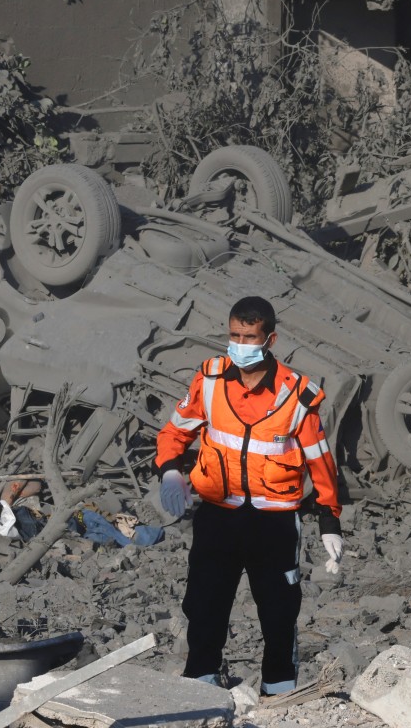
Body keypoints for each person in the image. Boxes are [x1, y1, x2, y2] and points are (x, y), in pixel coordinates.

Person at [155, 296, 343, 696]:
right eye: (234, 336)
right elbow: (175, 431)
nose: (240, 345)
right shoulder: (209, 380)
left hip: (273, 522)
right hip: (218, 516)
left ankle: (279, 694)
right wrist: (170, 470)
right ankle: (201, 688)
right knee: (204, 605)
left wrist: (329, 520)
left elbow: (320, 461)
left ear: (269, 339)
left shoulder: (296, 395)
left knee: (278, 613)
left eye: (249, 337)